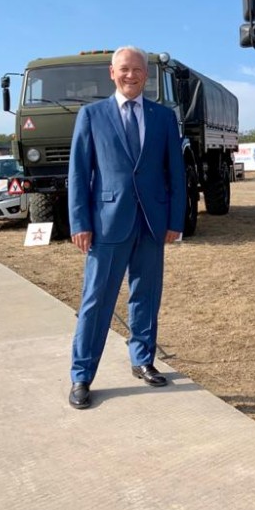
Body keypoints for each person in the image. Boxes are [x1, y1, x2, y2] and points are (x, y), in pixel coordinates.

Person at [67, 46, 186, 409]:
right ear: (112, 72)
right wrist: (80, 222)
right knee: (96, 300)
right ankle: (82, 375)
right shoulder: (91, 115)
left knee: (146, 295)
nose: (130, 75)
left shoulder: (163, 117)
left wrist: (175, 221)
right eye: (124, 69)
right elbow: (78, 173)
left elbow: (176, 173)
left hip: (152, 223)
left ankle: (142, 359)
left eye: (137, 69)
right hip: (106, 225)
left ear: (146, 75)